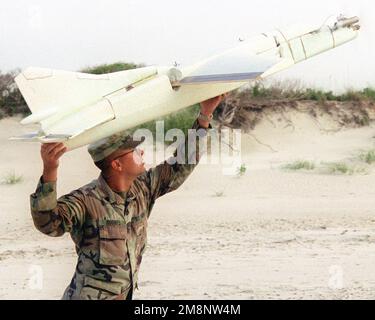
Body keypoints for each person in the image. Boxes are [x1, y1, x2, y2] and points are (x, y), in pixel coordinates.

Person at [30, 95, 226, 300]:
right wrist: (50, 170)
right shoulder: (86, 200)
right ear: (117, 164)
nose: (141, 151)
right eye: (133, 150)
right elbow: (48, 224)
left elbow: (180, 166)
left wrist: (204, 117)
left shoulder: (142, 187)